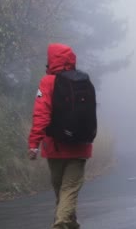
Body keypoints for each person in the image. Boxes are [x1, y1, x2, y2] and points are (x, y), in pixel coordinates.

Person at [28, 43, 92, 229]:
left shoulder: (47, 82)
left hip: (55, 147)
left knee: (63, 192)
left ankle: (61, 225)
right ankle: (69, 224)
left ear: (51, 60)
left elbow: (41, 114)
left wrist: (34, 143)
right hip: (80, 146)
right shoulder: (83, 80)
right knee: (67, 192)